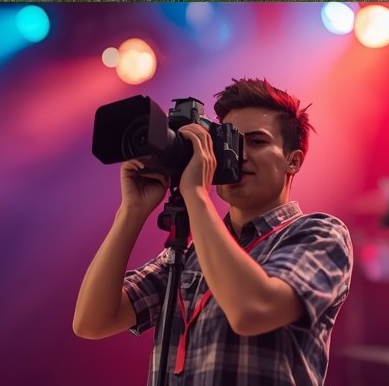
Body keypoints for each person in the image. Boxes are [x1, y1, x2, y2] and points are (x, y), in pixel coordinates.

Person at [73, 78, 352, 386]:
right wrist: (131, 212)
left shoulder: (320, 233)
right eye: (229, 141)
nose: (239, 154)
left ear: (293, 161)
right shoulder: (189, 255)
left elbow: (251, 310)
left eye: (257, 142)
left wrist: (196, 194)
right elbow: (92, 321)